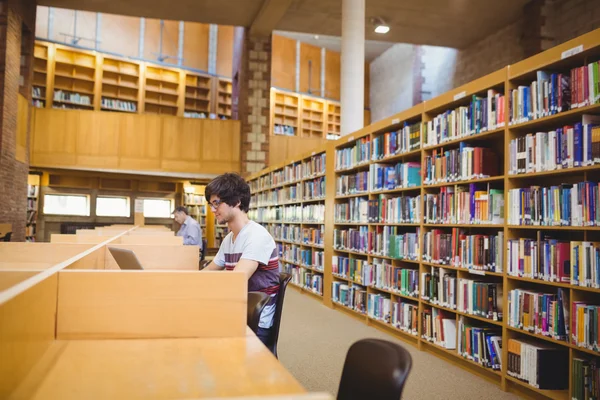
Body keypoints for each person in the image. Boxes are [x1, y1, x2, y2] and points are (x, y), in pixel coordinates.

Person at [203, 173, 279, 346]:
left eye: (217, 203)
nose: (213, 209)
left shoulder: (257, 236)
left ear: (236, 201)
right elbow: (209, 271)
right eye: (211, 204)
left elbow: (236, 280)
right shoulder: (230, 239)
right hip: (236, 310)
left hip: (255, 321)